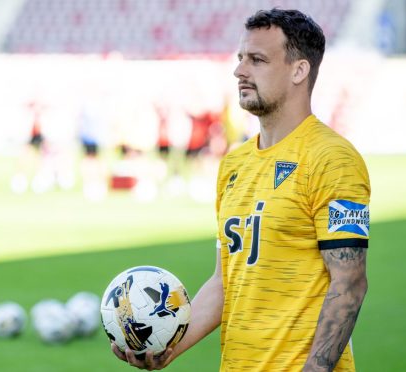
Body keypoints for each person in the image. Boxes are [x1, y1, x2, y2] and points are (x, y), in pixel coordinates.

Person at [112, 8, 370, 371]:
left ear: (299, 70)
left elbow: (350, 281)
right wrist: (166, 347)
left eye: (257, 60)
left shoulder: (333, 159)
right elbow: (224, 282)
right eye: (240, 58)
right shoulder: (234, 165)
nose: (239, 70)